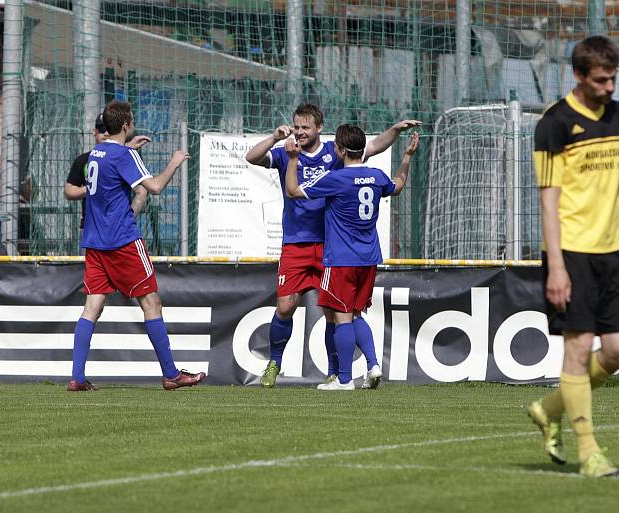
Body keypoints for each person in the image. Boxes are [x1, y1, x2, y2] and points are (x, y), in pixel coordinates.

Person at [528, 35, 619, 477]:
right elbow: (548, 201)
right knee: (578, 350)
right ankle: (589, 453)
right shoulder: (554, 124)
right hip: (572, 253)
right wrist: (556, 266)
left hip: (613, 252)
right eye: (601, 79)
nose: (609, 87)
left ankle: (549, 408)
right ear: (579, 76)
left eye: (614, 78)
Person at [245, 103, 420, 387]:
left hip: (329, 245)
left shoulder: (334, 153)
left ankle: (336, 372)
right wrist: (276, 137)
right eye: (297, 127)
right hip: (296, 244)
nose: (300, 132)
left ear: (319, 129)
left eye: (305, 127)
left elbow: (374, 145)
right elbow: (252, 157)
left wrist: (395, 131)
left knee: (334, 312)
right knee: (286, 306)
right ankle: (275, 361)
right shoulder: (287, 151)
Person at [68, 100, 205, 391]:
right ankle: (171, 374)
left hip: (94, 242)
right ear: (127, 125)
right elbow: (153, 186)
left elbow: (111, 170)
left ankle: (77, 377)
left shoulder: (97, 152)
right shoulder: (123, 155)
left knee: (92, 307)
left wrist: (130, 149)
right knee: (151, 302)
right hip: (122, 241)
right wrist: (174, 161)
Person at [65, 114, 150, 235]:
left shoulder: (123, 157)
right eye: (101, 129)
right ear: (94, 132)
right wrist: (92, 187)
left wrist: (128, 219)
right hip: (92, 227)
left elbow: (142, 190)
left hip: (116, 227)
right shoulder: (84, 159)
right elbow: (69, 191)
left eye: (108, 129)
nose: (105, 133)